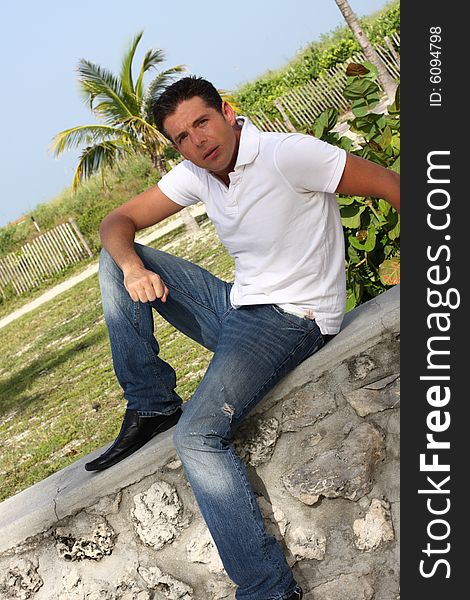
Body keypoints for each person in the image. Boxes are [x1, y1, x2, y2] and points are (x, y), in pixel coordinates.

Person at [85, 76, 400, 600]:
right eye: (182, 136)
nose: (197, 141)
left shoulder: (287, 155)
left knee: (197, 437)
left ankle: (268, 591)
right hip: (239, 306)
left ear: (228, 112)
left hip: (292, 319)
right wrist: (131, 266)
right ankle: (150, 404)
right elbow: (117, 220)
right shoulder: (198, 173)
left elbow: (393, 185)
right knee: (116, 261)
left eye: (202, 122)